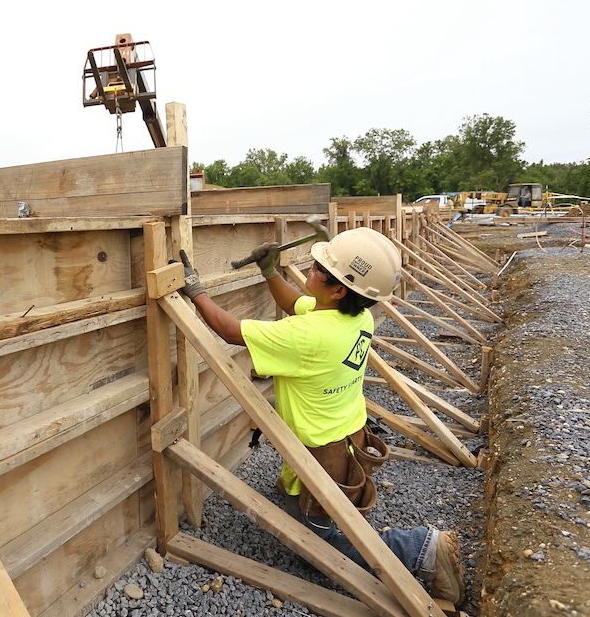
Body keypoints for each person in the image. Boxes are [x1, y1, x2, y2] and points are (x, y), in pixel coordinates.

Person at [177, 227, 465, 606]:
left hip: (321, 456)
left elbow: (230, 330)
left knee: (318, 541)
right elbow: (298, 302)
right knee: (314, 502)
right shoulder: (353, 318)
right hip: (348, 438)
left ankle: (421, 549)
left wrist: (195, 290)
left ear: (338, 290)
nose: (308, 269)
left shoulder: (307, 335)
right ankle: (306, 500)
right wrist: (269, 273)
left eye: (315, 268)